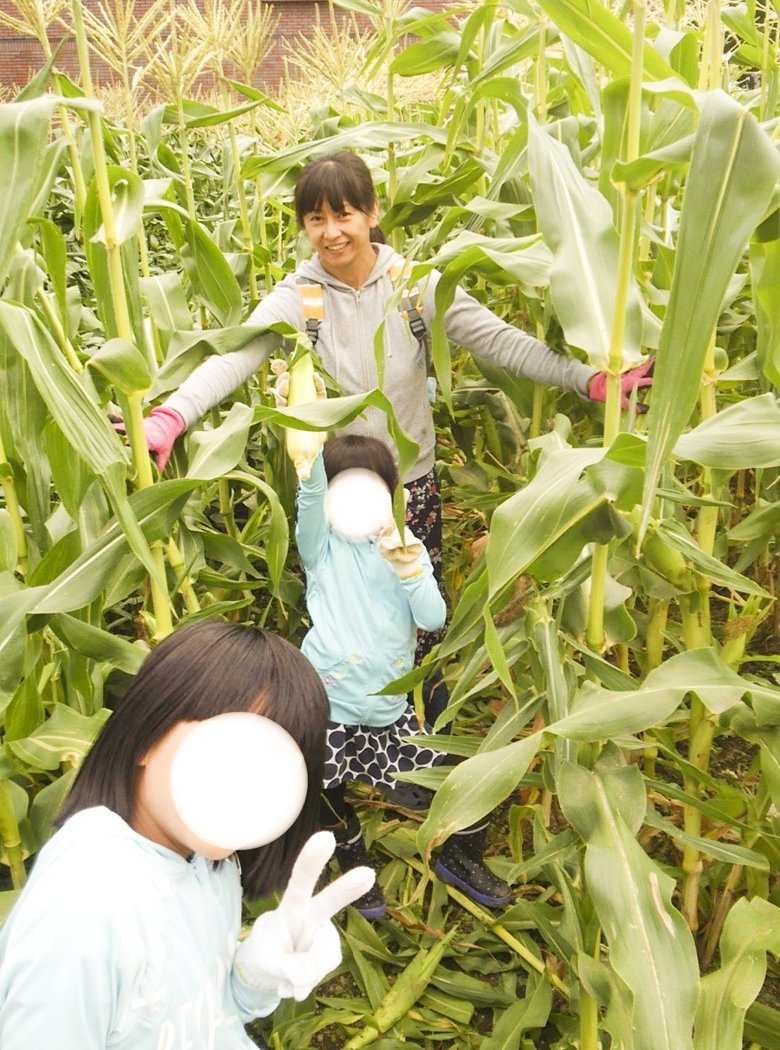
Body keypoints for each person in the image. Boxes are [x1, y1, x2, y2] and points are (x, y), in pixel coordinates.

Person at [136, 150, 652, 721]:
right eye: (315, 219)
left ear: (371, 212)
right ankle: (339, 727)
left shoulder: (415, 287)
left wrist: (588, 380)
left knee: (416, 608)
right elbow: (235, 356)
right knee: (339, 615)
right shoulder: (299, 298)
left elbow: (501, 341)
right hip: (332, 494)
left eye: (344, 214)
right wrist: (171, 417)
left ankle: (420, 717)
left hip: (408, 487)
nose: (331, 232)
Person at [0, 621, 373, 1050]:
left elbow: (208, 1016)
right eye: (232, 749)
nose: (252, 785)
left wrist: (253, 976)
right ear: (148, 734)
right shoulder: (87, 905)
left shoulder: (211, 866)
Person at [297, 433, 512, 918]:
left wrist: (409, 566)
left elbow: (433, 618)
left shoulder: (404, 548)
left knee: (456, 776)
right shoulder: (320, 548)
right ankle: (352, 863)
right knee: (325, 792)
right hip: (329, 702)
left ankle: (458, 854)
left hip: (390, 705)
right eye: (343, 490)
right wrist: (308, 454)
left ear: (390, 495)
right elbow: (309, 495)